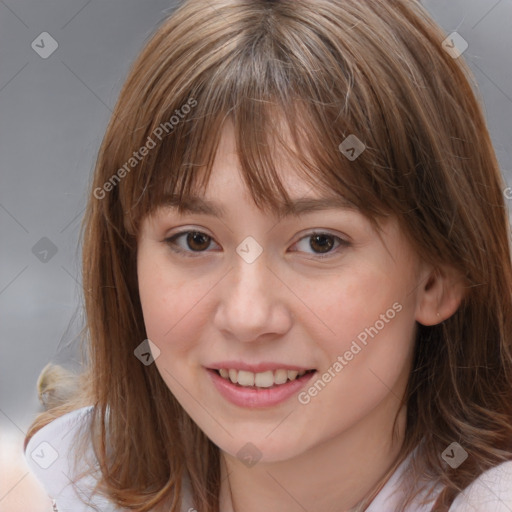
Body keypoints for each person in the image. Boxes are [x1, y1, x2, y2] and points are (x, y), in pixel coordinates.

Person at [23, 0, 512, 510]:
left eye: (320, 242)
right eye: (195, 240)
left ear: (438, 277)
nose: (248, 316)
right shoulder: (54, 485)